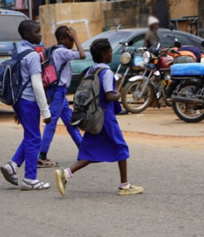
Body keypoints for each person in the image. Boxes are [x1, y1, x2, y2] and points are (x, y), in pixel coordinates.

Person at [55, 38, 144, 196]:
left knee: (90, 152)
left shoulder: (91, 70)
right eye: (110, 52)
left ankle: (66, 173)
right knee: (120, 147)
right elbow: (109, 97)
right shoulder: (107, 72)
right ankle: (124, 185)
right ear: (104, 54)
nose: (111, 54)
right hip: (105, 117)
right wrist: (119, 93)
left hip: (93, 116)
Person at [0, 20, 51, 190]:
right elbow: (37, 85)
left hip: (19, 101)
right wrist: (46, 111)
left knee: (30, 135)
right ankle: (30, 179)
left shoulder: (19, 50)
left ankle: (12, 165)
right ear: (28, 35)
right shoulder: (32, 55)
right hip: (29, 101)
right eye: (37, 32)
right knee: (34, 138)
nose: (40, 35)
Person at [38, 26, 86, 167]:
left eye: (73, 40)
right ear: (62, 39)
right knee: (51, 123)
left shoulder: (55, 50)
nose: (72, 42)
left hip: (59, 92)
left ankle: (83, 149)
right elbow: (82, 55)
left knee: (70, 122)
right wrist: (77, 37)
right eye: (70, 39)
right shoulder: (61, 52)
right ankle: (41, 155)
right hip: (58, 91)